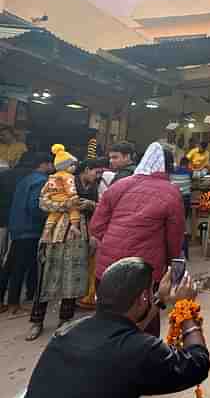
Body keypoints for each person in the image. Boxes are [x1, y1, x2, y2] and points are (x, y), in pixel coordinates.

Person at [23, 257, 210, 398]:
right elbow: (198, 363)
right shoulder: (141, 350)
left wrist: (159, 300)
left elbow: (125, 331)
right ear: (143, 298)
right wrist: (185, 307)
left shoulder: (68, 331)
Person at [90, 142, 185, 337]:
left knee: (106, 323)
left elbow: (96, 227)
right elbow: (174, 240)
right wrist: (171, 265)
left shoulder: (118, 186)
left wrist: (114, 243)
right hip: (144, 273)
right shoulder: (171, 192)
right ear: (168, 167)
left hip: (108, 269)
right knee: (145, 327)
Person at [28, 149, 93, 341]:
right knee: (46, 277)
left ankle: (65, 319)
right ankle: (36, 321)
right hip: (53, 236)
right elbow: (43, 203)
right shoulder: (53, 181)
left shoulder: (87, 186)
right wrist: (67, 205)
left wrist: (86, 204)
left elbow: (96, 206)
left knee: (72, 278)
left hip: (77, 237)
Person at [0, 153, 52, 317]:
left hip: (17, 227)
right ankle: (14, 304)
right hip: (30, 230)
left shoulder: (26, 179)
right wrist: (49, 216)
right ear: (44, 164)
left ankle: (4, 301)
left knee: (10, 264)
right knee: (20, 267)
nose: (53, 167)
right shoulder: (41, 181)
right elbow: (35, 206)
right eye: (51, 164)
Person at [75, 160, 103, 310]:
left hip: (89, 228)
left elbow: (99, 208)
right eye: (95, 172)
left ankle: (84, 296)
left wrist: (91, 205)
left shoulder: (93, 187)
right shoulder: (71, 184)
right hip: (72, 229)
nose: (97, 176)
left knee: (87, 262)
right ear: (86, 170)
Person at [41, 144, 81, 242]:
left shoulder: (52, 176)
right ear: (66, 166)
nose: (74, 168)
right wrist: (74, 197)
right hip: (65, 199)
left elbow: (44, 190)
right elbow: (70, 187)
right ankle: (74, 226)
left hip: (53, 198)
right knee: (74, 210)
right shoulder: (68, 176)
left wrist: (46, 195)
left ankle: (47, 231)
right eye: (72, 165)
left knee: (53, 214)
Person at [170, 157, 193, 260]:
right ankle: (184, 252)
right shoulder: (189, 171)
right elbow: (201, 174)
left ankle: (176, 252)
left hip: (173, 199)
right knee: (183, 225)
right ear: (188, 164)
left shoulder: (172, 171)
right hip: (185, 200)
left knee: (175, 225)